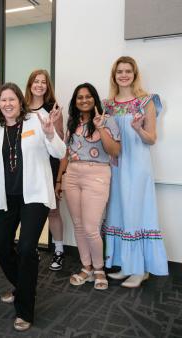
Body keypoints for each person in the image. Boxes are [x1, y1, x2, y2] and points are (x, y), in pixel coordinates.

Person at [0, 83, 65, 331]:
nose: (7, 104)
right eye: (3, 100)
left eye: (12, 99)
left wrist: (50, 133)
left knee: (27, 248)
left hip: (34, 196)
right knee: (1, 245)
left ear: (20, 102)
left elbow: (60, 151)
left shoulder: (37, 121)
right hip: (6, 198)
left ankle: (25, 308)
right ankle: (23, 284)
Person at [102, 56, 168, 287]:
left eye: (128, 71)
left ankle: (139, 270)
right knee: (118, 212)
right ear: (114, 75)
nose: (123, 75)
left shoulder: (146, 101)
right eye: (119, 71)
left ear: (134, 74)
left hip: (138, 166)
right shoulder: (108, 105)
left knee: (136, 212)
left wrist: (139, 129)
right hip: (116, 165)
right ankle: (126, 265)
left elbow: (151, 139)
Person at [56, 83, 120, 290]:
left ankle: (99, 269)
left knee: (92, 228)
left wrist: (100, 126)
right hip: (72, 175)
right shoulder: (72, 122)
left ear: (94, 98)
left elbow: (115, 151)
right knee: (78, 225)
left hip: (97, 174)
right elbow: (66, 153)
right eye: (79, 97)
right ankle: (87, 267)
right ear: (75, 101)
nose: (84, 100)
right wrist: (59, 179)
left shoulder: (107, 120)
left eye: (88, 96)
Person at [24, 69, 65, 271]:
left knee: (53, 210)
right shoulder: (21, 107)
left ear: (47, 86)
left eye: (43, 82)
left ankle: (58, 250)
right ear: (30, 84)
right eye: (36, 81)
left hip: (49, 164)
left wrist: (56, 122)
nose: (39, 85)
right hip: (27, 166)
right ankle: (31, 247)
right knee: (28, 209)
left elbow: (60, 141)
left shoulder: (53, 108)